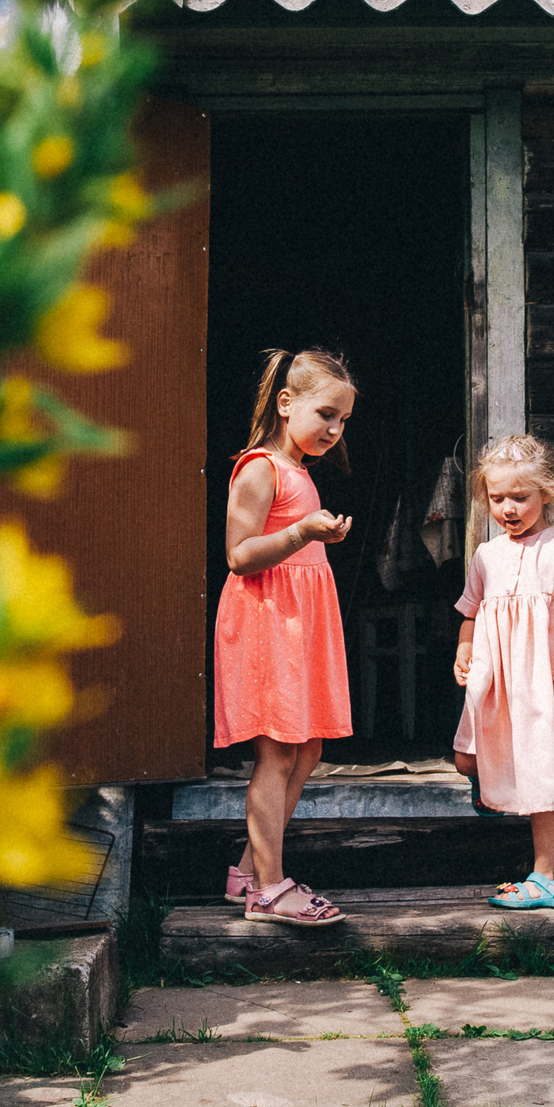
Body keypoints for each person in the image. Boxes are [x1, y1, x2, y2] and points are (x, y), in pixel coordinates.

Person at [215, 348, 357, 927]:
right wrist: (301, 532)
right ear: (285, 402)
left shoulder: (301, 471)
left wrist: (317, 536)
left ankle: (247, 872)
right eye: (326, 414)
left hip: (298, 626)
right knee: (275, 753)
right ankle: (270, 890)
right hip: (266, 624)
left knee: (308, 748)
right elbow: (239, 554)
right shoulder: (260, 468)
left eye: (343, 420)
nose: (335, 429)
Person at [452, 434, 554, 909]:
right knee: (465, 759)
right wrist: (464, 648)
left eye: (520, 497)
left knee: (541, 778)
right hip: (494, 682)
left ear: (545, 494)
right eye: (497, 498)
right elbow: (470, 612)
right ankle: (492, 786)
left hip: (541, 682)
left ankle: (546, 877)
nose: (508, 508)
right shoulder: (486, 555)